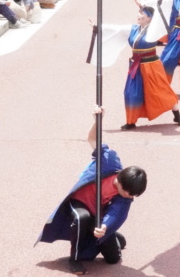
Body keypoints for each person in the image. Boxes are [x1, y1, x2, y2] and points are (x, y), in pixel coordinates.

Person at [37, 106, 147, 275]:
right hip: (79, 201)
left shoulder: (124, 197)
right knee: (83, 218)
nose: (131, 197)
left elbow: (116, 214)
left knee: (113, 259)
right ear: (121, 183)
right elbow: (92, 139)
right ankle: (74, 259)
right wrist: (98, 120)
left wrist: (105, 227)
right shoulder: (109, 161)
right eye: (130, 194)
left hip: (99, 214)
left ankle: (114, 238)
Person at [122, 5, 180, 130]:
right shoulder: (133, 29)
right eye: (139, 13)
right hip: (136, 65)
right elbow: (115, 30)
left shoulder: (154, 30)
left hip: (151, 65)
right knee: (131, 93)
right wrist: (98, 28)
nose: (138, 16)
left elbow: (162, 17)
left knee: (162, 90)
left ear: (149, 18)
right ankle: (131, 121)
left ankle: (177, 115)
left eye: (142, 14)